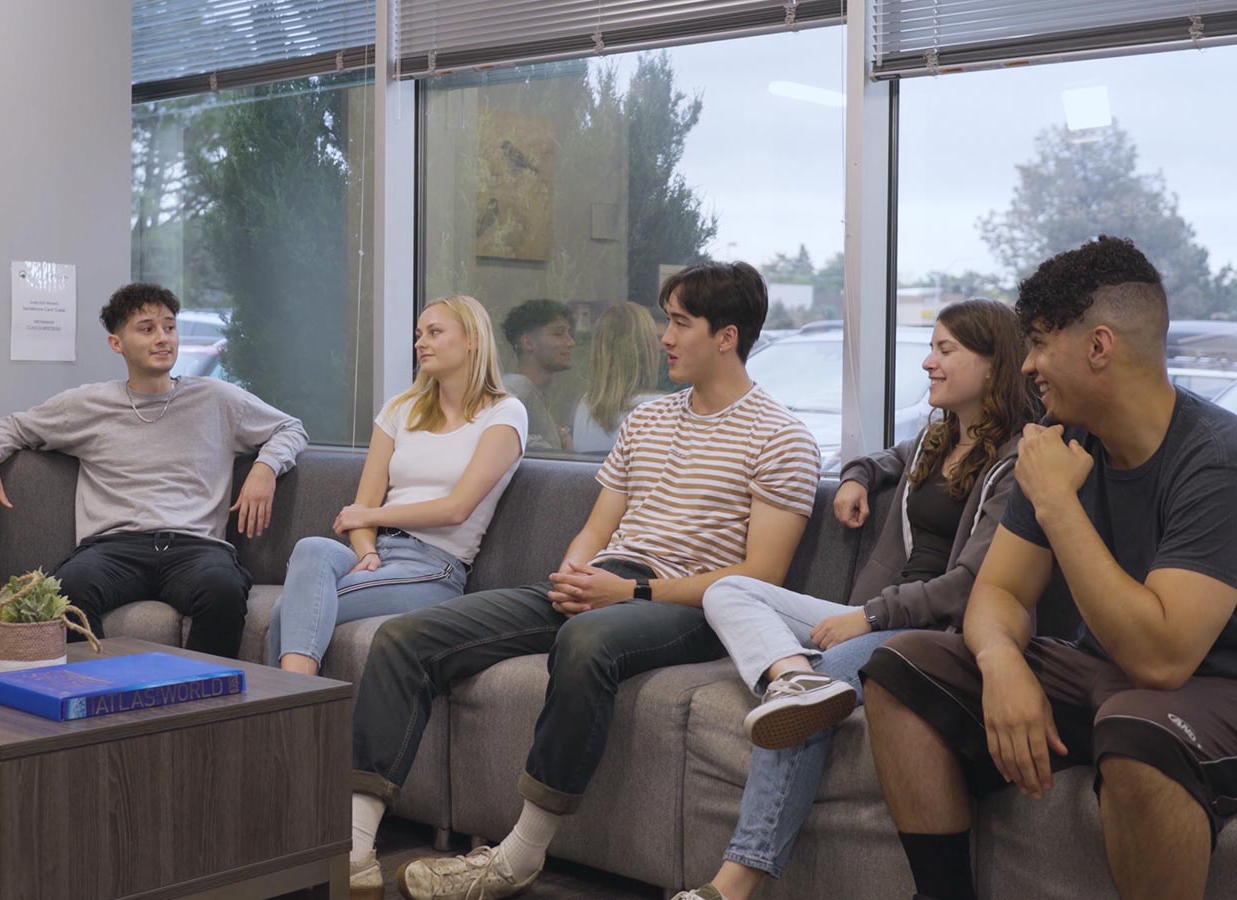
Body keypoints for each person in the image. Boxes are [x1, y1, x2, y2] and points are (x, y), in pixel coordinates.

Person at [346, 262, 822, 900]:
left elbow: (760, 576)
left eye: (680, 323)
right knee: (405, 638)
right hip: (601, 587)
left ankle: (517, 858)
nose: (664, 337)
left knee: (587, 640)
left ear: (727, 336)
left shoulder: (781, 436)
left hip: (690, 605)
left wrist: (628, 594)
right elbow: (597, 527)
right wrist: (577, 570)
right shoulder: (647, 421)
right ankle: (353, 847)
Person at [861, 236, 1237, 900]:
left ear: (1099, 346)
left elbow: (1162, 659)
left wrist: (1059, 502)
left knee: (1137, 725)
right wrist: (1001, 663)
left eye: (1038, 342)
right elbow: (999, 591)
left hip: (1210, 688)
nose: (1028, 365)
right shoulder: (1062, 443)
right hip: (1099, 675)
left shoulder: (1216, 458)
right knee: (901, 665)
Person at [671, 299, 1038, 900]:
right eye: (932, 348)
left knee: (810, 698)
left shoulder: (1019, 459)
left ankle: (732, 885)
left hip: (929, 636)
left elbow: (970, 586)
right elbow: (882, 458)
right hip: (871, 615)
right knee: (729, 588)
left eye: (945, 350)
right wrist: (856, 478)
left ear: (995, 364)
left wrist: (868, 616)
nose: (927, 363)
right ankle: (793, 676)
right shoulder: (938, 437)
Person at [0, 283, 307, 659]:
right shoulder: (87, 404)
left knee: (222, 588)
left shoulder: (217, 398)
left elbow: (290, 428)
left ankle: (197, 704)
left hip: (196, 547)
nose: (163, 339)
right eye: (147, 329)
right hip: (113, 548)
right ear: (117, 343)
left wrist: (264, 468)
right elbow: (12, 426)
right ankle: (96, 696)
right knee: (67, 589)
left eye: (170, 327)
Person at [266, 296, 527, 675]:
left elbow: (456, 508)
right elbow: (362, 507)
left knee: (286, 611)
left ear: (472, 339)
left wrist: (371, 515)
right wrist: (366, 549)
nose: (420, 342)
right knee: (312, 549)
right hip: (376, 553)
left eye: (435, 332)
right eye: (419, 334)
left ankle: (288, 725)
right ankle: (294, 721)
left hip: (435, 566)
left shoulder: (504, 413)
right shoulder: (400, 409)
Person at [571, 301, 664, 454]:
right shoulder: (658, 408)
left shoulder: (586, 405)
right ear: (645, 349)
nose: (664, 345)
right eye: (656, 339)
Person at [501, 298, 576, 452]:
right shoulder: (516, 387)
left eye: (569, 334)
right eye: (558, 334)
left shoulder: (548, 397)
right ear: (527, 343)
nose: (570, 342)